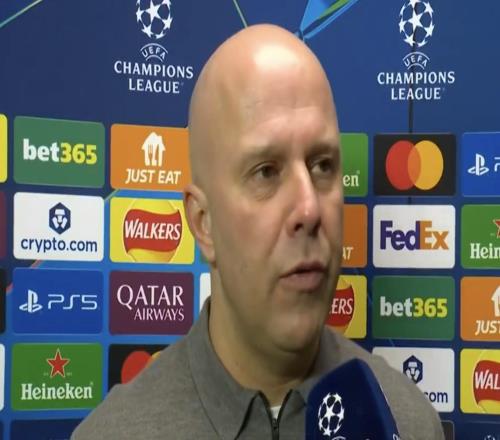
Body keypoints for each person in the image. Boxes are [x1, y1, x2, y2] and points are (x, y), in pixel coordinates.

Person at [72, 24, 444, 439]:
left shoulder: (408, 422)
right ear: (203, 223)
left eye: (322, 165)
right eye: (266, 171)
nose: (309, 208)